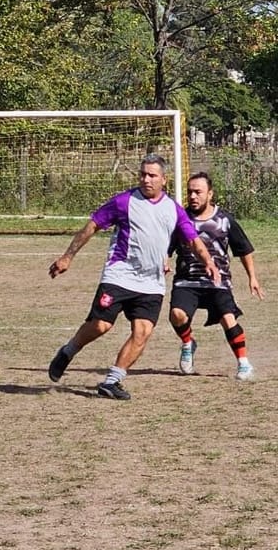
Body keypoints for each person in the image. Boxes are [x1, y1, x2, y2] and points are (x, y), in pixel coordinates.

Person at [47, 154, 221, 400]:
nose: (146, 179)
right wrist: (68, 257)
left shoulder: (173, 209)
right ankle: (68, 351)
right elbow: (93, 225)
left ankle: (112, 381)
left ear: (164, 179)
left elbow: (193, 240)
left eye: (152, 175)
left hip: (152, 283)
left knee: (143, 332)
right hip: (120, 275)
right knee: (101, 325)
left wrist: (209, 262)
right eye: (143, 174)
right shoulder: (123, 201)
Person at [168, 171, 263, 380]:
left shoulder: (225, 219)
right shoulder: (180, 220)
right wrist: (163, 262)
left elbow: (244, 250)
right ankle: (187, 343)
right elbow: (167, 248)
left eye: (198, 192)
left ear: (210, 194)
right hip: (187, 281)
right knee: (177, 314)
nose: (193, 196)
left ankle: (244, 364)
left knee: (228, 319)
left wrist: (252, 278)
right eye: (190, 192)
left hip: (217, 282)